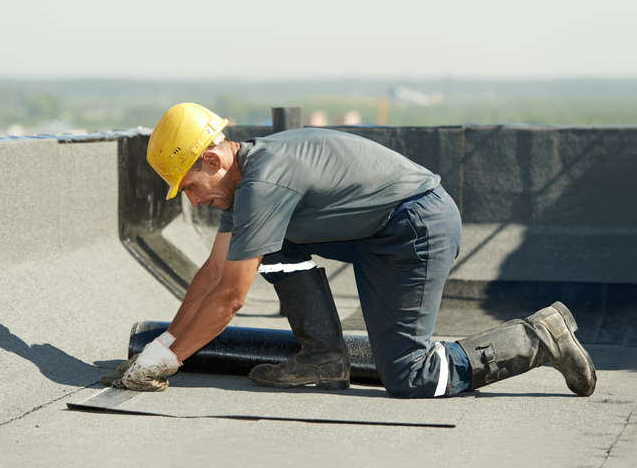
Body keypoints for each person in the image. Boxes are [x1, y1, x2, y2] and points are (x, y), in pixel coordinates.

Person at [115, 102, 597, 398]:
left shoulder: (263, 183)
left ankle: (537, 339)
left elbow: (229, 300)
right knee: (264, 243)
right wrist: (160, 345)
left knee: (412, 377)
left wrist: (167, 361)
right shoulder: (243, 188)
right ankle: (323, 356)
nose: (194, 200)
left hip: (415, 229)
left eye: (192, 185)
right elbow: (213, 275)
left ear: (213, 159)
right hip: (378, 231)